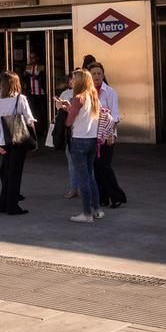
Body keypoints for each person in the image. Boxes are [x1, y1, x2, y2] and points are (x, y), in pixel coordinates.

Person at [54, 69, 103, 223]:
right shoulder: (93, 97)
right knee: (90, 176)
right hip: (91, 140)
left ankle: (86, 214)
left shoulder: (78, 98)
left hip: (78, 141)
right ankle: (97, 210)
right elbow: (81, 114)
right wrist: (69, 107)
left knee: (83, 179)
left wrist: (63, 108)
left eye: (74, 79)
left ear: (80, 81)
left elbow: (69, 121)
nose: (72, 81)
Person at [0, 71, 35, 215]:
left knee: (5, 171)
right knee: (15, 174)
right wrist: (34, 139)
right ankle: (12, 206)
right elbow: (29, 120)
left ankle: (3, 204)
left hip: (4, 140)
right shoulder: (20, 99)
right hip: (18, 139)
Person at [89, 62, 127, 208]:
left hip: (107, 134)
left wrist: (111, 133)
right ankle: (102, 198)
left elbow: (115, 115)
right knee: (96, 167)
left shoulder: (110, 92)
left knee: (104, 166)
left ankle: (116, 197)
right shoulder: (88, 92)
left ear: (103, 75)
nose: (97, 76)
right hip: (92, 134)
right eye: (94, 74)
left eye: (99, 73)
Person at [21, 52, 48, 142]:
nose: (31, 60)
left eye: (33, 58)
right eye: (30, 58)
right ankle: (36, 130)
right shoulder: (28, 67)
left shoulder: (40, 66)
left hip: (41, 93)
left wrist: (34, 76)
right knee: (32, 112)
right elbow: (24, 79)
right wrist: (24, 74)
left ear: (37, 58)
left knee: (42, 112)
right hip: (31, 93)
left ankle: (43, 129)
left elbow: (42, 77)